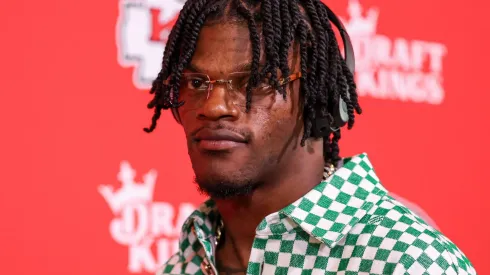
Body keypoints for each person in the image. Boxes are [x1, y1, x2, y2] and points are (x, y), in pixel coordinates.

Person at [144, 0, 476, 274]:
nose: (213, 107)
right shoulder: (181, 268)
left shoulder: (405, 261)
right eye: (197, 83)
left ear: (321, 101)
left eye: (256, 81)